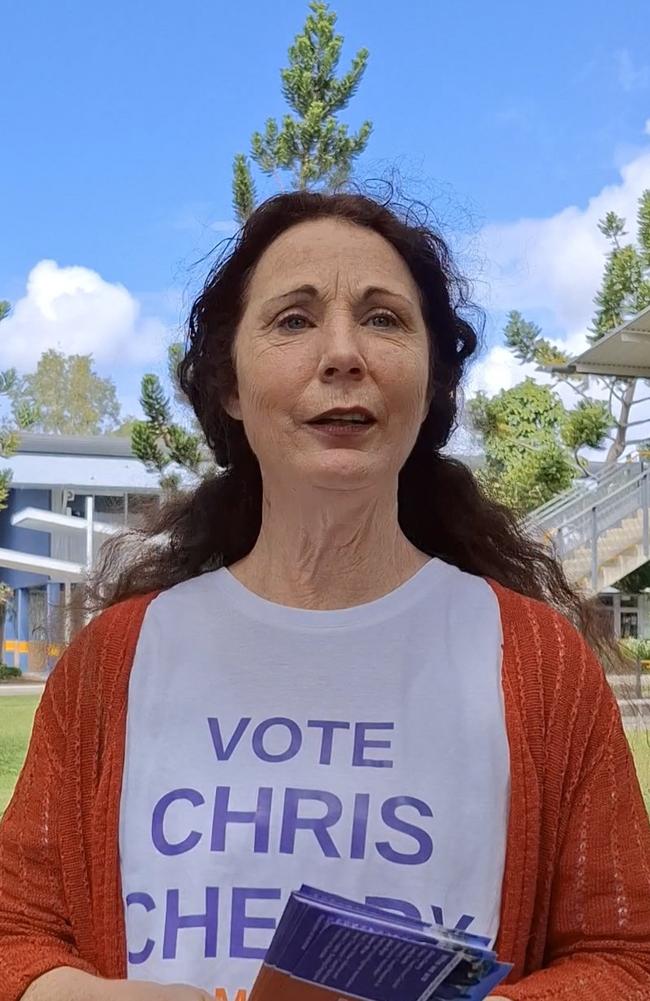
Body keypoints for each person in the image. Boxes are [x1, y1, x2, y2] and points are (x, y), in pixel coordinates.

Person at [0, 190, 649, 1001]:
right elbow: (15, 931)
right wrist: (75, 994)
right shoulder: (116, 660)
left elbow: (625, 956)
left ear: (431, 381)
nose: (343, 352)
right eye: (294, 320)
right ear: (229, 382)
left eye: (383, 318)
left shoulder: (538, 664)